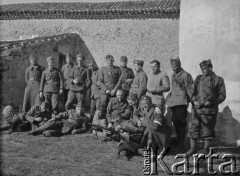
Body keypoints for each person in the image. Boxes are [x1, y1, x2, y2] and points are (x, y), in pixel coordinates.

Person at [185, 59, 226, 156]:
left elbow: (222, 95)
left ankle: (206, 150)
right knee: (193, 128)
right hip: (196, 109)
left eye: (205, 69)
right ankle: (192, 149)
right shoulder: (199, 78)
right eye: (202, 69)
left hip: (209, 110)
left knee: (208, 130)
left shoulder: (218, 80)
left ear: (210, 67)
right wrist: (194, 101)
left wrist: (212, 103)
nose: (203, 71)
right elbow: (193, 92)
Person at [166, 57, 193, 152]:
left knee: (181, 123)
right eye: (172, 66)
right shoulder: (173, 74)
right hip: (173, 101)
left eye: (175, 66)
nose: (173, 68)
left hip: (181, 101)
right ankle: (178, 141)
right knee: (175, 121)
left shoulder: (186, 75)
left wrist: (191, 100)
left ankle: (181, 144)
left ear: (179, 65)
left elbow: (190, 89)